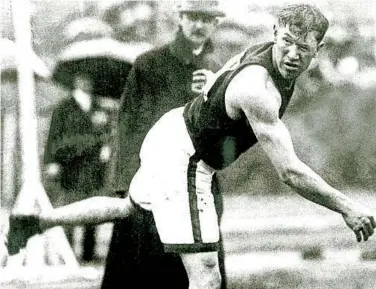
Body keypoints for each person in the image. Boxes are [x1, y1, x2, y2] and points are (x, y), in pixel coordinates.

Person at [8, 4, 375, 289]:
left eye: (303, 48)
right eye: (287, 43)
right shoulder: (258, 91)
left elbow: (225, 70)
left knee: (126, 207)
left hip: (170, 131)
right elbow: (290, 172)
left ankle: (36, 221)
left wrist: (211, 86)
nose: (292, 54)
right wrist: (347, 208)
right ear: (276, 34)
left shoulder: (260, 50)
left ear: (319, 49)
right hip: (185, 161)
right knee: (207, 278)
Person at [104, 1, 227, 288]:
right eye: (193, 17)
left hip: (198, 185)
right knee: (145, 270)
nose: (199, 25)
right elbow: (129, 127)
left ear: (216, 23)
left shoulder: (218, 71)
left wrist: (211, 98)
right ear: (180, 17)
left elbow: (225, 142)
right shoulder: (149, 64)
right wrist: (126, 186)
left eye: (207, 19)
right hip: (153, 183)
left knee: (200, 271)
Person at [44, 72, 109, 262]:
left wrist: (105, 141)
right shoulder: (64, 108)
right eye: (82, 79)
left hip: (92, 166)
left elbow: (107, 134)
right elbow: (54, 135)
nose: (86, 82)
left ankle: (89, 252)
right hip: (70, 164)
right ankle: (69, 252)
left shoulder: (99, 108)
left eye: (90, 79)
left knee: (93, 208)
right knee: (71, 208)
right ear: (75, 81)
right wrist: (51, 161)